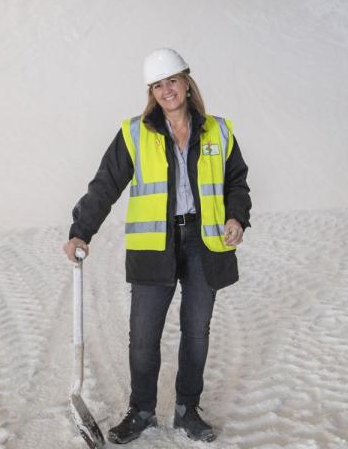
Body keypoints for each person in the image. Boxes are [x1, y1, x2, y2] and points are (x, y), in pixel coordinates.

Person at [63, 48, 251, 444]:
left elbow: (236, 181)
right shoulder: (136, 132)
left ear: (187, 81)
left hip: (205, 242)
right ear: (151, 91)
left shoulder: (219, 130)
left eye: (173, 81)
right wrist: (81, 229)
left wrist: (236, 217)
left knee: (196, 332)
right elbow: (105, 184)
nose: (167, 90)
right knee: (144, 335)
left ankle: (187, 411)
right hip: (155, 244)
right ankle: (142, 411)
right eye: (158, 85)